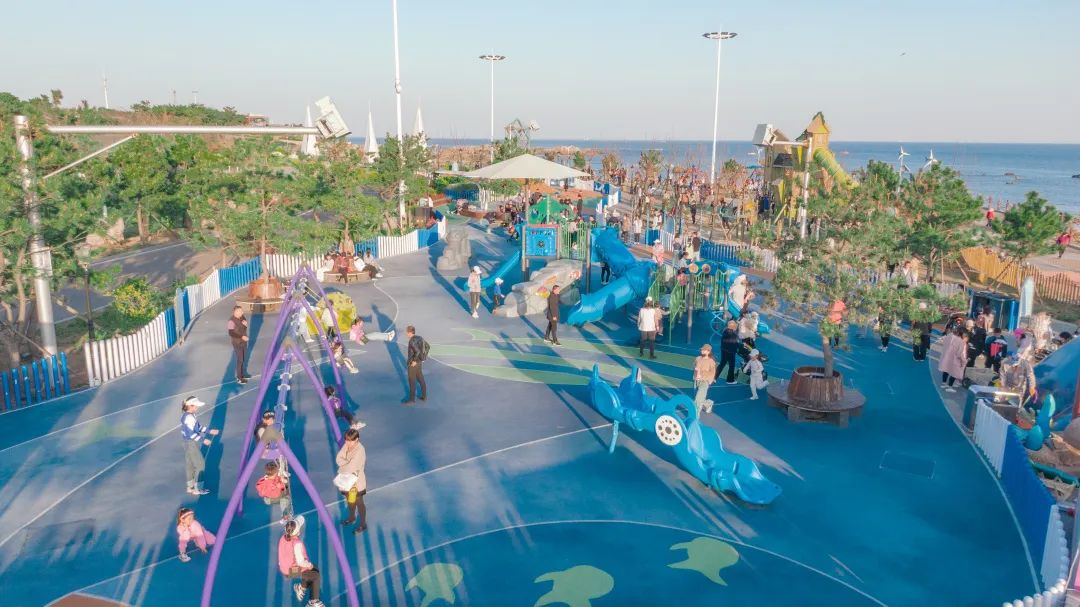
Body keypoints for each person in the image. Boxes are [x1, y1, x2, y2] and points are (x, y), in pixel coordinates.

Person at [277, 516, 325, 607]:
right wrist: (309, 565)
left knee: (312, 570)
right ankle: (313, 602)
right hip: (291, 571)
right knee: (315, 575)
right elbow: (300, 562)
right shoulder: (297, 544)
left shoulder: (283, 537)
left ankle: (301, 588)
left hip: (284, 568)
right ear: (298, 532)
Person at [180, 396, 219, 495]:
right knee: (200, 465)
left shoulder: (187, 415)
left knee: (190, 465)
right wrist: (203, 440)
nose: (197, 407)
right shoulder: (189, 418)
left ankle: (190, 487)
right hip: (191, 443)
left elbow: (198, 427)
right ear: (191, 406)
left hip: (186, 442)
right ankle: (198, 489)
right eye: (196, 406)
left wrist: (210, 431)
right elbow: (191, 434)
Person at [335, 428, 368, 535]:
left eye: (350, 440)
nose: (347, 443)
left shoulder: (360, 450)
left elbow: (351, 467)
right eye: (346, 440)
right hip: (347, 481)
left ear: (357, 439)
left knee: (359, 503)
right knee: (350, 501)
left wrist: (343, 466)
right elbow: (338, 459)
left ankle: (363, 524)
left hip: (356, 483)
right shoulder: (347, 445)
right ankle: (352, 517)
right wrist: (347, 464)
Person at [938, 328, 968, 392]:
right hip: (955, 359)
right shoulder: (961, 341)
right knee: (954, 373)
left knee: (946, 369)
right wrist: (964, 360)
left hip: (946, 357)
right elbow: (959, 354)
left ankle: (944, 383)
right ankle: (950, 386)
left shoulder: (949, 336)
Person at [227, 306, 250, 384]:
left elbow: (244, 325)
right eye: (240, 311)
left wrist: (246, 324)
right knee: (240, 360)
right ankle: (239, 378)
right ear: (235, 312)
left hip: (243, 342)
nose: (242, 312)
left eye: (242, 311)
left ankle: (242, 374)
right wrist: (242, 337)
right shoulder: (231, 321)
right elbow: (231, 333)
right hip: (237, 343)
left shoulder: (242, 317)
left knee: (243, 358)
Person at [405, 325, 428, 403]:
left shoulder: (411, 341)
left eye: (407, 332)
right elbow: (427, 346)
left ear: (410, 332)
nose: (406, 334)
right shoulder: (420, 338)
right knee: (421, 379)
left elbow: (417, 351)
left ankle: (412, 400)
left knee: (412, 381)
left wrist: (414, 361)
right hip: (419, 363)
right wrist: (423, 358)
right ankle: (424, 396)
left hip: (413, 364)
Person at [693, 344, 717, 414]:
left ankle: (695, 416)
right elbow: (694, 366)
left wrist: (708, 381)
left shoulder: (711, 361)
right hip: (697, 381)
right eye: (701, 349)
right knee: (700, 398)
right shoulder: (698, 358)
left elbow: (712, 373)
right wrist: (695, 370)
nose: (702, 351)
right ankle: (709, 403)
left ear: (708, 351)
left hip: (705, 382)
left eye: (704, 350)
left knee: (698, 400)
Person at [715, 320, 741, 385]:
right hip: (730, 352)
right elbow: (734, 343)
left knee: (722, 364)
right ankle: (730, 380)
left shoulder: (725, 331)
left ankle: (714, 377)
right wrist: (740, 346)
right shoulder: (732, 334)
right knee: (731, 365)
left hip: (724, 350)